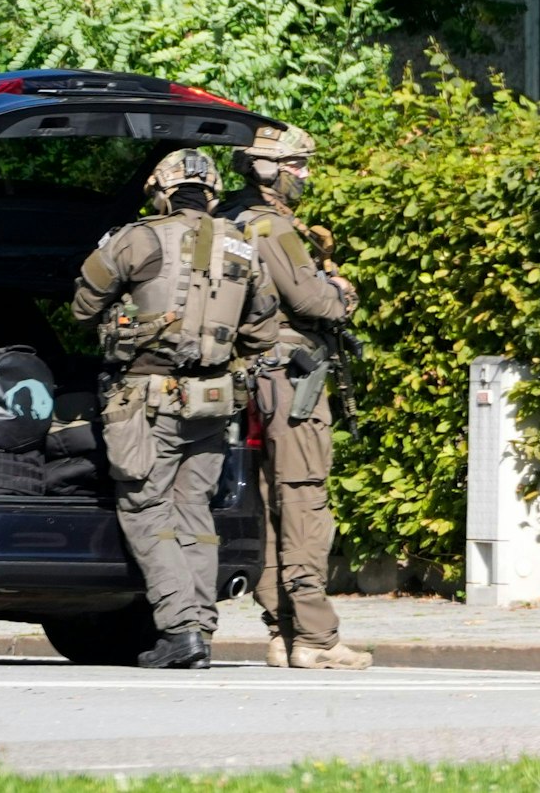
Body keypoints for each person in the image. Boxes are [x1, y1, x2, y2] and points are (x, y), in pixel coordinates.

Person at [73, 148, 277, 669]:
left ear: (162, 190)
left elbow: (82, 305)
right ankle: (201, 630)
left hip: (148, 400)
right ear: (211, 192)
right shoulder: (242, 247)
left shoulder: (138, 238)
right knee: (195, 513)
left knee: (147, 510)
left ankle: (180, 628)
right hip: (213, 402)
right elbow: (262, 329)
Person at [224, 124, 371, 670]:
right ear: (273, 171)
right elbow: (315, 301)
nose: (306, 175)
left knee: (265, 502)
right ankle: (316, 638)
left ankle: (280, 632)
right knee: (305, 499)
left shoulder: (226, 221)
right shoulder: (276, 228)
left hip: (245, 380)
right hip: (290, 379)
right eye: (299, 166)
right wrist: (342, 290)